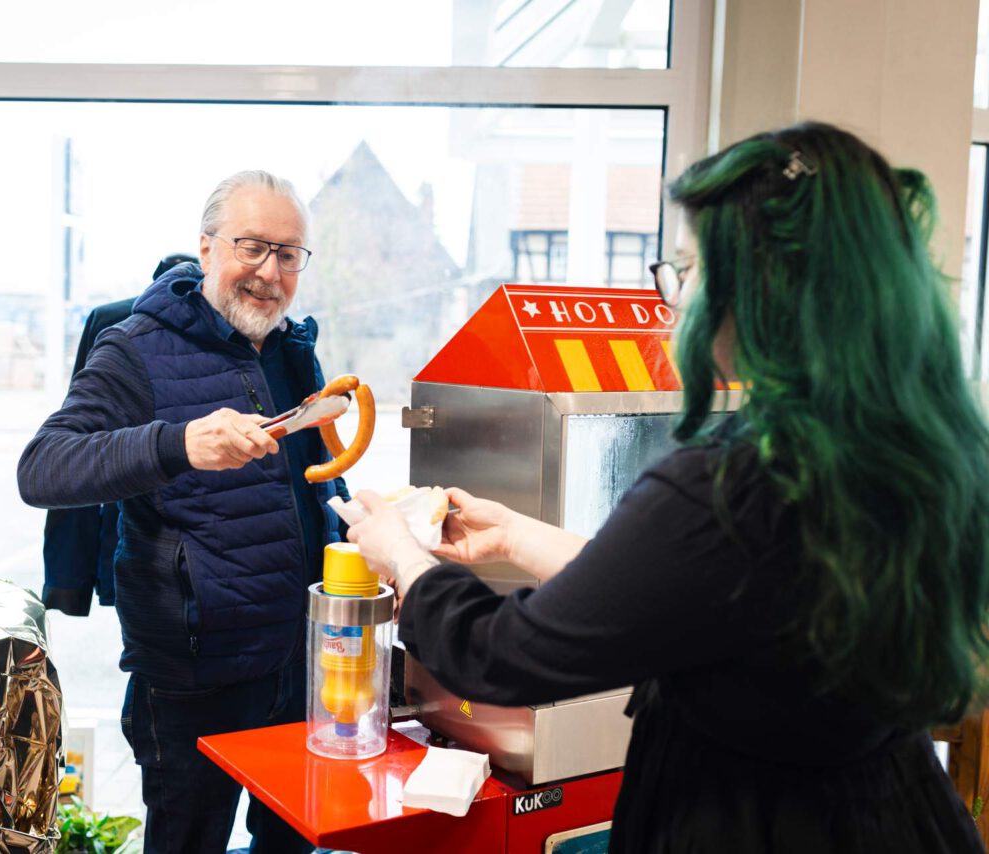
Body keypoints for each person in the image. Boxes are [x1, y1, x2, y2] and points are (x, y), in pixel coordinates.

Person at [347, 122, 988, 853]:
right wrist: (521, 537)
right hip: (892, 809)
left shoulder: (733, 481)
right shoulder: (902, 447)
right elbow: (711, 589)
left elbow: (506, 655)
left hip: (753, 821)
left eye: (692, 267)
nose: (674, 298)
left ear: (760, 288)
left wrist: (405, 558)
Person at [19, 171, 349, 854]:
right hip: (196, 674)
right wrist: (177, 444)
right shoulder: (136, 346)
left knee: (290, 842)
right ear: (205, 249)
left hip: (300, 664)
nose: (269, 272)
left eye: (289, 255)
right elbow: (42, 467)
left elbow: (307, 485)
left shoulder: (292, 348)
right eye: (252, 247)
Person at [40, 252, 198, 617]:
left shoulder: (251, 328)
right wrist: (67, 583)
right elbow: (75, 445)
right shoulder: (115, 323)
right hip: (131, 532)